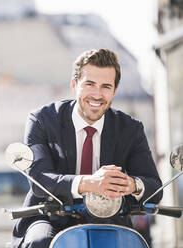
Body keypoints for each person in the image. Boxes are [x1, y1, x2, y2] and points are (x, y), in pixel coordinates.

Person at [12, 49, 163, 248]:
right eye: (90, 84)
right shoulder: (42, 120)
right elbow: (40, 179)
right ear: (74, 85)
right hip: (49, 216)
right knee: (40, 242)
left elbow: (154, 186)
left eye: (106, 86)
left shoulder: (130, 129)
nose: (97, 94)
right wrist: (89, 183)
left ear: (114, 91)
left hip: (110, 217)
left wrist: (132, 184)